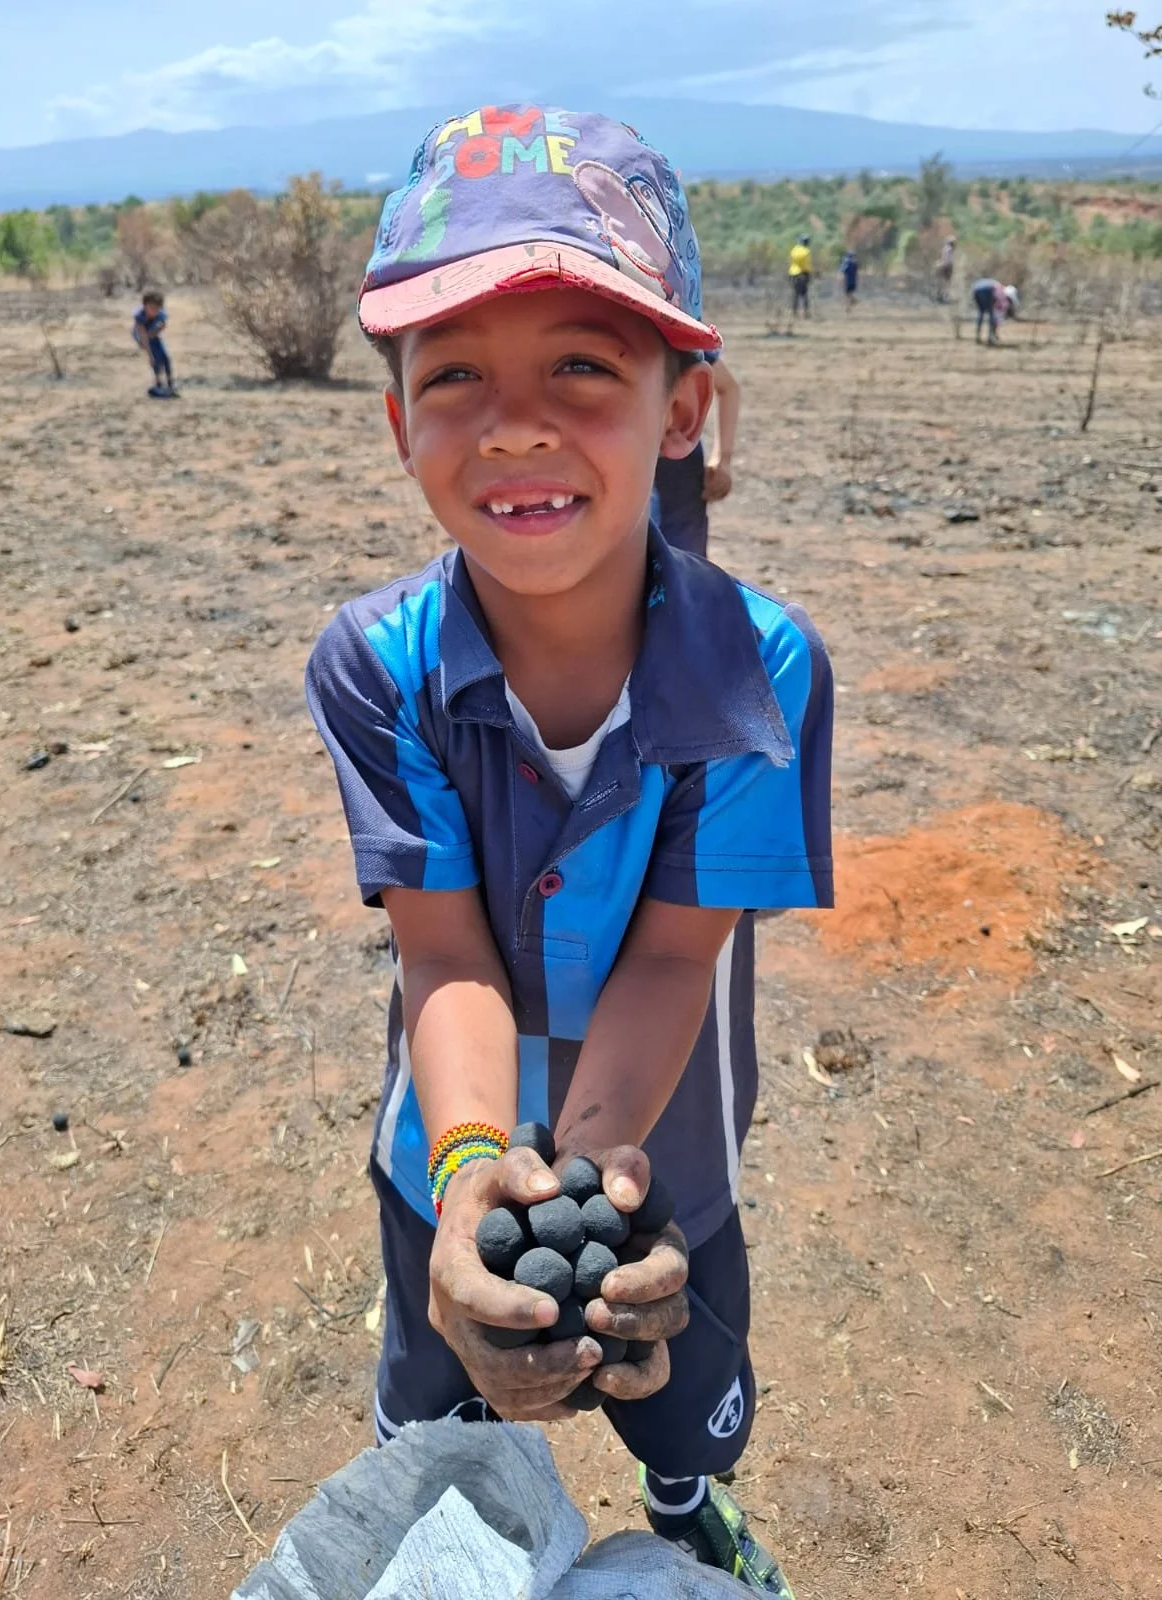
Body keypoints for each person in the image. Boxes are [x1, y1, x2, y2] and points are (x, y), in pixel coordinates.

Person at [305, 105, 833, 1596]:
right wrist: (478, 1173)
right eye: (453, 375)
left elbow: (673, 954)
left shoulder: (761, 670)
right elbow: (445, 948)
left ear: (683, 408)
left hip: (666, 1141)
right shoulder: (376, 666)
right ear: (398, 422)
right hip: (445, 1143)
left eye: (583, 368)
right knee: (446, 1392)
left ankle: (682, 1505)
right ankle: (453, 1490)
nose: (515, 424)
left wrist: (596, 1170)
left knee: (677, 1383)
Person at [651, 354, 740, 556]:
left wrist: (723, 458)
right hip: (628, 465)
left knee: (684, 560)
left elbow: (728, 386)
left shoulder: (683, 337)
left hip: (677, 472)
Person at [132, 290, 177, 396]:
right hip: (142, 337)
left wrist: (154, 333)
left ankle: (170, 384)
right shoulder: (140, 317)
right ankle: (158, 384)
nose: (154, 310)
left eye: (156, 308)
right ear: (145, 306)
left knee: (166, 358)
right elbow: (143, 337)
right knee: (155, 360)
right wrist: (149, 355)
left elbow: (163, 325)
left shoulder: (161, 314)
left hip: (153, 334)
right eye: (151, 307)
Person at [972, 277, 1017, 345]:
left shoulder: (1000, 287)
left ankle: (978, 336)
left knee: (981, 312)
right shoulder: (1003, 296)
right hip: (986, 290)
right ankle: (990, 338)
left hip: (976, 288)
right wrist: (996, 325)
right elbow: (997, 314)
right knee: (991, 314)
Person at [788, 234, 812, 318]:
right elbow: (806, 265)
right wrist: (808, 274)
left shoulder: (794, 250)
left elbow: (791, 260)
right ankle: (805, 312)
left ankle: (794, 312)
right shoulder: (806, 251)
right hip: (802, 273)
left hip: (792, 273)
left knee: (795, 294)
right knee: (804, 294)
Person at [937, 236, 955, 302]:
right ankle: (945, 297)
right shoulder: (950, 249)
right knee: (947, 282)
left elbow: (942, 258)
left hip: (943, 266)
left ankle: (940, 296)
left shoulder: (944, 248)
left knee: (942, 282)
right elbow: (948, 260)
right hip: (947, 266)